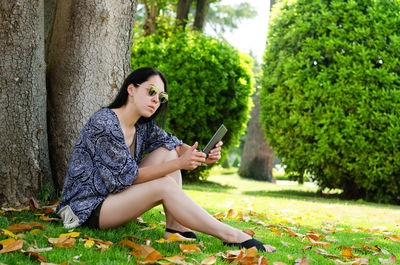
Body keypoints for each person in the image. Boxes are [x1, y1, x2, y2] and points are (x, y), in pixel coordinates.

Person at [55, 67, 276, 252]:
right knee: (164, 185)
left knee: (168, 150)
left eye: (161, 97)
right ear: (131, 89)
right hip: (86, 210)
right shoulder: (104, 123)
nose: (155, 100)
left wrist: (199, 155)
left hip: (112, 199)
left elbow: (175, 145)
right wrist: (180, 164)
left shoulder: (142, 125)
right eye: (151, 91)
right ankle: (231, 235)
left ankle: (175, 229)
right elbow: (129, 178)